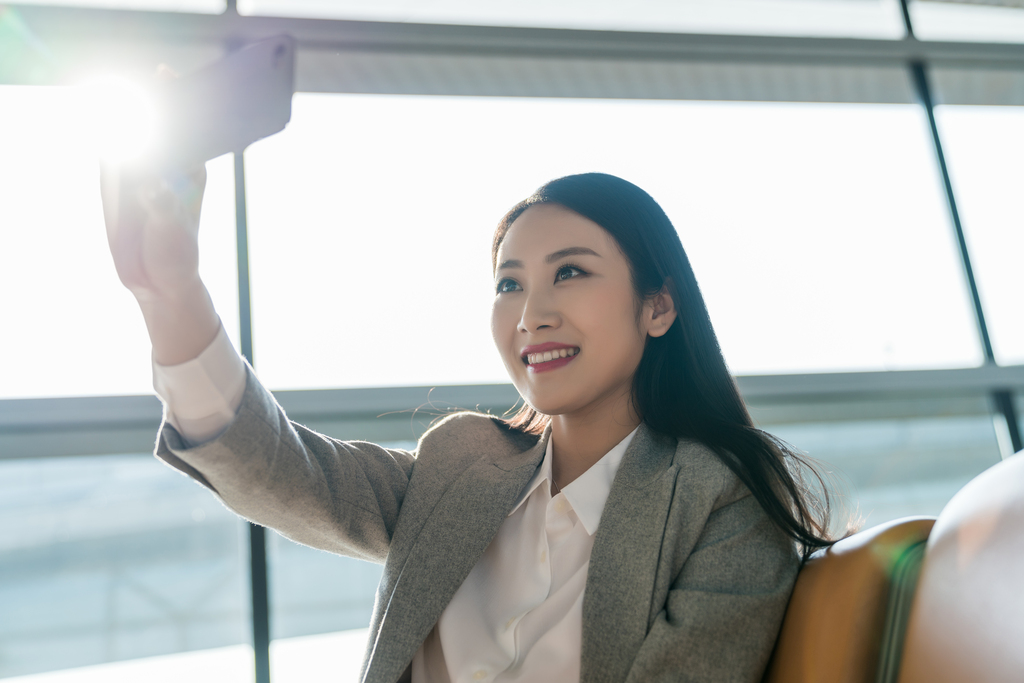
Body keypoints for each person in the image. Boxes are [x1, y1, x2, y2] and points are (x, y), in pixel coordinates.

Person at [100, 166, 835, 683]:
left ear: (658, 306)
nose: (531, 313)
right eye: (509, 282)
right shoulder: (462, 460)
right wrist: (170, 295)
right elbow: (283, 471)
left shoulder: (725, 500)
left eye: (570, 272)